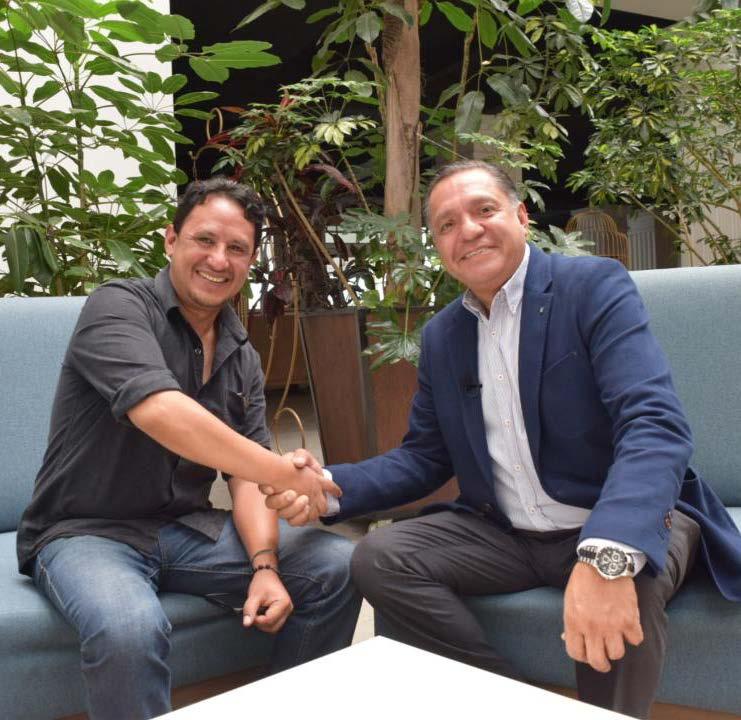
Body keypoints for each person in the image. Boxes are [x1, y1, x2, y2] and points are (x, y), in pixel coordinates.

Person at [263, 161, 741, 719]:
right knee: (381, 557)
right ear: (439, 247)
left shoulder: (592, 288)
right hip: (506, 534)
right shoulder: (444, 336)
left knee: (625, 577)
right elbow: (424, 456)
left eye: (484, 210)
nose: (467, 230)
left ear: (521, 216)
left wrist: (606, 554)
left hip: (604, 513)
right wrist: (326, 484)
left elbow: (653, 423)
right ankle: (511, 703)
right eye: (446, 225)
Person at [16, 178, 361, 720]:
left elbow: (245, 476)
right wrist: (284, 472)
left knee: (336, 564)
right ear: (171, 240)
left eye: (236, 248)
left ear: (250, 261)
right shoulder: (118, 306)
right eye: (204, 240)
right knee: (130, 628)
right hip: (88, 531)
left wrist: (265, 563)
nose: (218, 260)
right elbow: (161, 412)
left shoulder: (241, 353)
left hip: (186, 531)